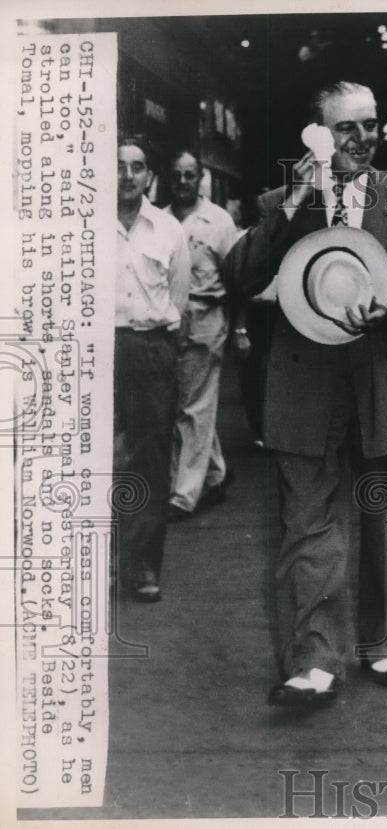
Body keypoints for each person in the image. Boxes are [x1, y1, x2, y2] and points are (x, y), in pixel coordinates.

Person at [223, 82, 387, 706]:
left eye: (370, 125)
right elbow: (239, 276)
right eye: (346, 127)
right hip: (304, 384)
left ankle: (380, 640)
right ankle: (315, 660)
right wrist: (295, 199)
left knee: (386, 518)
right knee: (307, 524)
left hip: (384, 378)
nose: (363, 138)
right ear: (318, 135)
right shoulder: (283, 202)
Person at [114, 138, 191, 602]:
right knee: (97, 457)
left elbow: (178, 297)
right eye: (118, 166)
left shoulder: (168, 230)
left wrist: (161, 348)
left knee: (150, 459)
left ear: (149, 176)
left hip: (150, 348)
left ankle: (142, 566)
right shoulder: (83, 226)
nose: (127, 176)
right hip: (98, 350)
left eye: (137, 167)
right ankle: (101, 562)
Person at [167, 150, 239, 521]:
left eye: (190, 175)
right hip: (171, 321)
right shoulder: (160, 220)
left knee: (192, 408)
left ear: (200, 178)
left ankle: (183, 495)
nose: (183, 182)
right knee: (189, 402)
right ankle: (215, 475)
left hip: (207, 317)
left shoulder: (219, 221)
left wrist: (238, 328)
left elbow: (237, 277)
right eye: (177, 175)